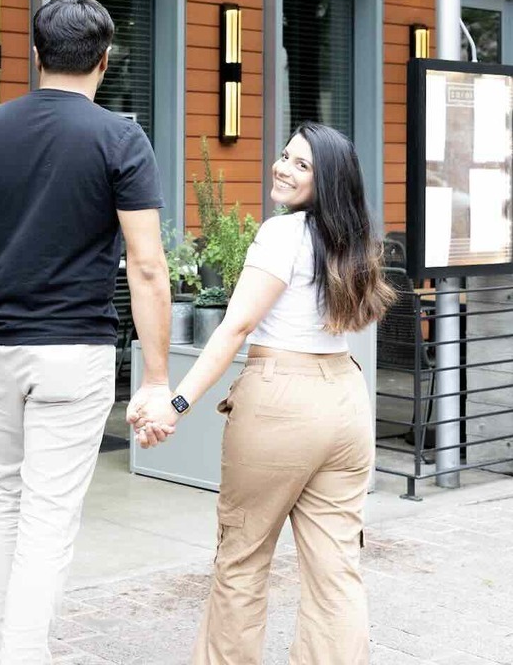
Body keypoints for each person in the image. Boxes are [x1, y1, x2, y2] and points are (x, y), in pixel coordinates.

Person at [0, 0, 174, 665]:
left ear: (36, 55)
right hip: (74, 351)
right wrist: (156, 377)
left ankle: (1, 652)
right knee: (47, 517)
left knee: (4, 497)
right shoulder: (120, 138)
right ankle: (21, 655)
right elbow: (147, 266)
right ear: (105, 61)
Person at [128, 122, 394, 665]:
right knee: (336, 568)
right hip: (345, 401)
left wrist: (175, 404)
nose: (283, 168)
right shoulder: (355, 243)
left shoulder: (282, 234)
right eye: (285, 155)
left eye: (301, 164)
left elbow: (236, 327)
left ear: (327, 181)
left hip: (281, 401)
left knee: (242, 558)